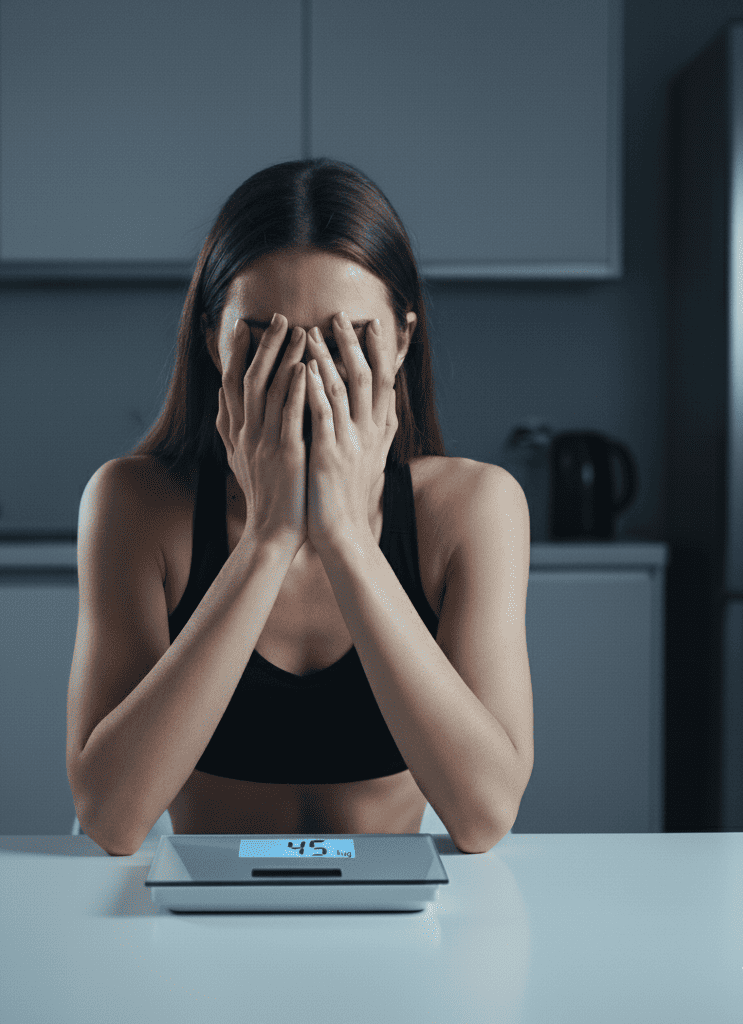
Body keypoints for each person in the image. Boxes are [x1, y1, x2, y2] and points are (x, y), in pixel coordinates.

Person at [66, 158, 532, 856]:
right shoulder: (135, 505)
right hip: (200, 934)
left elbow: (485, 816)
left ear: (401, 342)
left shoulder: (472, 509)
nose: (308, 381)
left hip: (396, 937)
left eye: (347, 344)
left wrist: (343, 534)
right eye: (265, 343)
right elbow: (111, 817)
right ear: (211, 341)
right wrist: (269, 537)